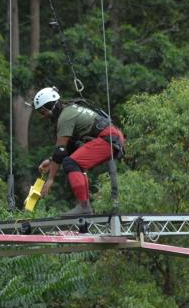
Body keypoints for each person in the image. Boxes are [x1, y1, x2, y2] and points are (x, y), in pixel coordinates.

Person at [34, 86, 125, 215]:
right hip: (112, 137)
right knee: (76, 162)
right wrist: (51, 160)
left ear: (50, 106)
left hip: (108, 139)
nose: (43, 117)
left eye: (42, 112)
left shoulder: (65, 117)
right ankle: (85, 205)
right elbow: (68, 146)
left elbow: (60, 150)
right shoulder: (69, 111)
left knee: (71, 163)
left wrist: (50, 179)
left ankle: (83, 206)